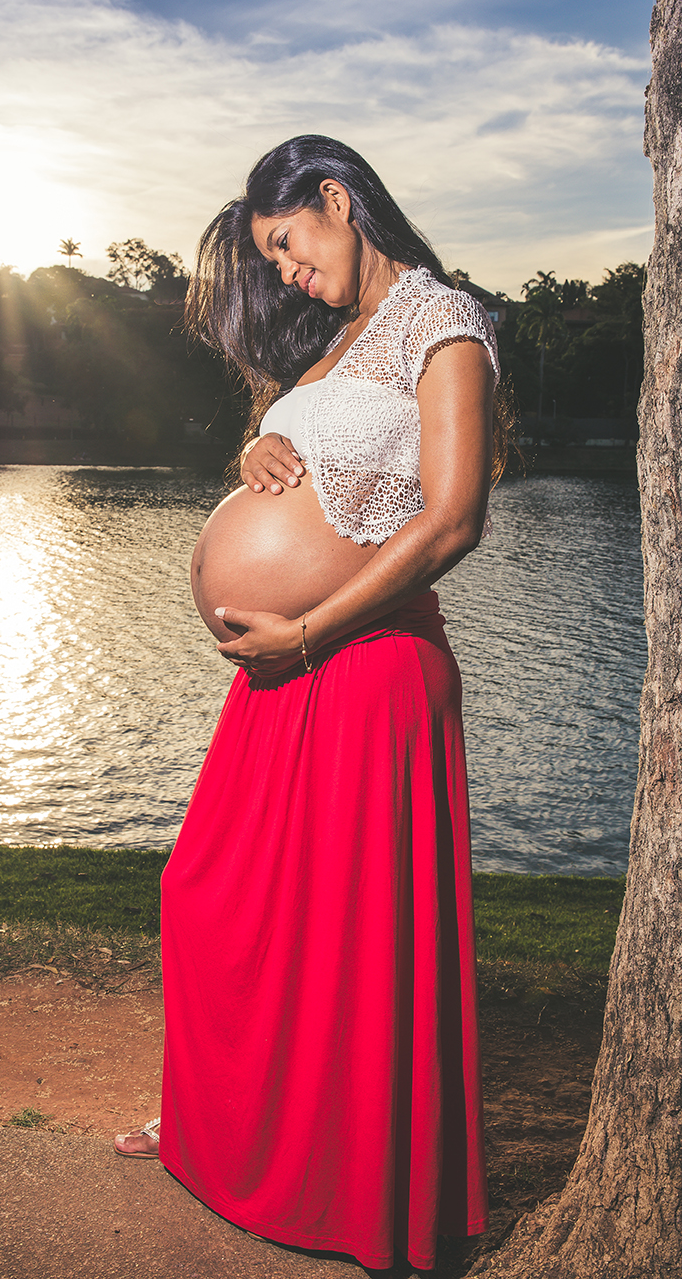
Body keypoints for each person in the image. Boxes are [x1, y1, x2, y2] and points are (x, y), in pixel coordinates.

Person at [115, 134, 509, 1273]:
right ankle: (217, 1134)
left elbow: (450, 520)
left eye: (287, 243)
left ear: (336, 201)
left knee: (346, 947)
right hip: (283, 672)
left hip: (361, 660)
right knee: (213, 897)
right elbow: (318, 461)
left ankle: (345, 1194)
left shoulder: (445, 325)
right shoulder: (337, 342)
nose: (283, 270)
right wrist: (261, 445)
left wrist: (306, 628)